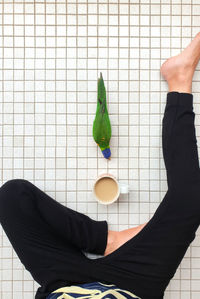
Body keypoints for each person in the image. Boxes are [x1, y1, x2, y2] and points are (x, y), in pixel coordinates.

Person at [1, 33, 200, 299]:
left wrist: (102, 239)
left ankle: (109, 241)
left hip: (63, 281)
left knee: (12, 196)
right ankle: (179, 77)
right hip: (135, 284)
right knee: (190, 201)